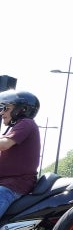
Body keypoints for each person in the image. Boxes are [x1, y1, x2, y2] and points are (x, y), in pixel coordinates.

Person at [0, 90, 41, 219]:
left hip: (13, 185)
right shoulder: (17, 127)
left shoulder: (26, 123)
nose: (2, 112)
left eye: (6, 108)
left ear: (21, 109)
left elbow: (4, 144)